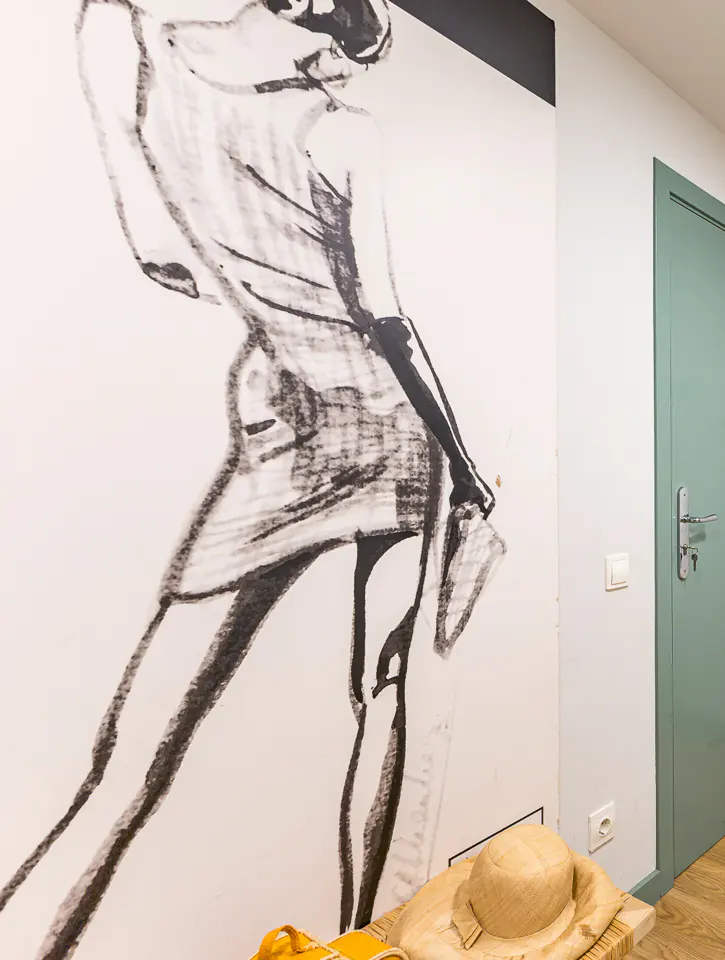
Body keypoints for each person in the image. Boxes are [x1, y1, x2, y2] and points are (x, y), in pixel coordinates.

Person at [0, 2, 504, 956]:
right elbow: (388, 322)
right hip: (379, 428)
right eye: (341, 50)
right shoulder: (342, 132)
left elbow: (163, 254)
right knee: (378, 694)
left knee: (143, 749)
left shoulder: (153, 66)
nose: (339, 71)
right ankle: (364, 939)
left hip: (289, 411)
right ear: (315, 22)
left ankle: (360, 936)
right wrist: (468, 470)